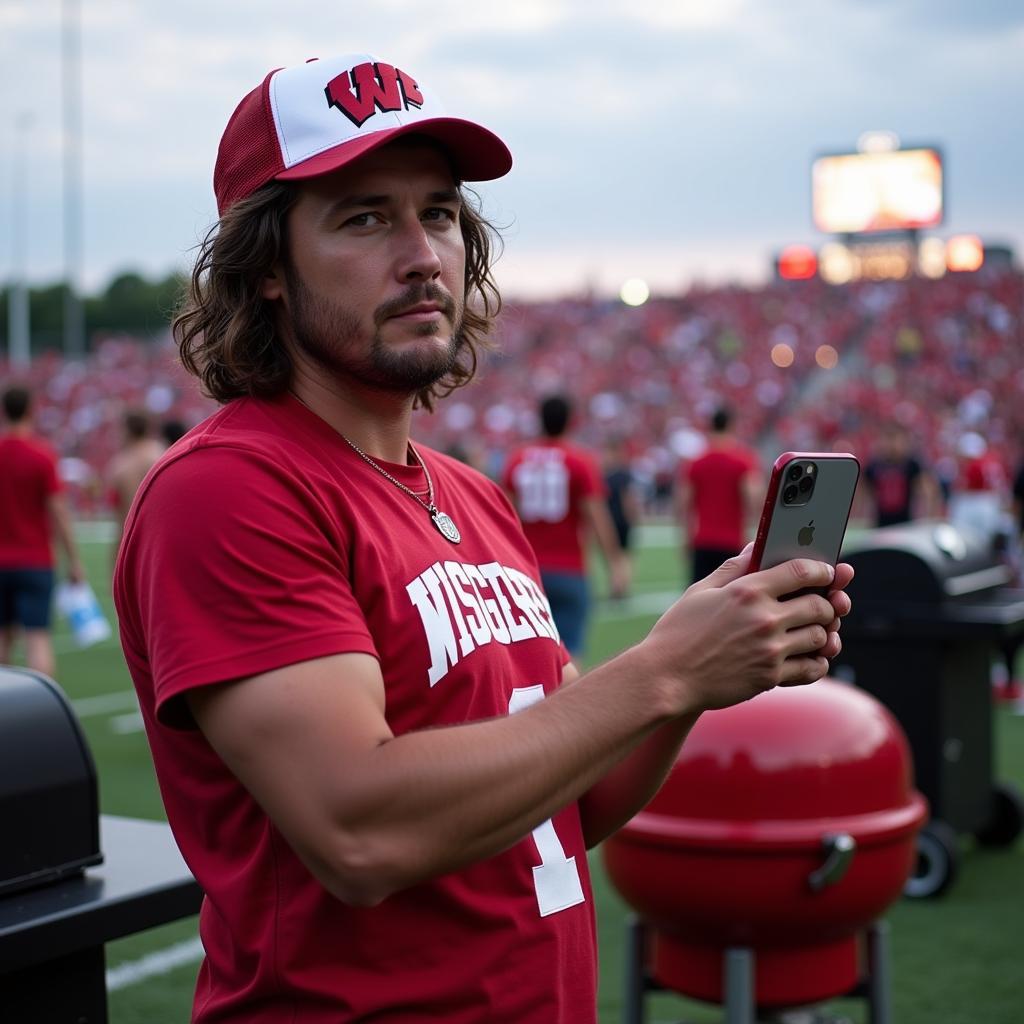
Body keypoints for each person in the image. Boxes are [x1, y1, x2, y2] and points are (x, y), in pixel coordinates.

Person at [113, 52, 853, 1024]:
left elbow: (572, 803)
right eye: (364, 215)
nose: (422, 252)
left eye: (439, 212)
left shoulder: (473, 495)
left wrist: (700, 661)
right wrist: (662, 673)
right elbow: (357, 830)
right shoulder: (230, 487)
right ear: (264, 274)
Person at [502, 395, 630, 654]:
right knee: (569, 657)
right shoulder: (580, 461)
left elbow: (503, 515)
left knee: (528, 656)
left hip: (526, 570)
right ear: (571, 422)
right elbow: (598, 519)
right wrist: (615, 565)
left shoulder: (518, 459)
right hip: (569, 569)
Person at [0, 385, 85, 676]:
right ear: (30, 410)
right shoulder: (42, 455)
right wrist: (73, 559)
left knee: (2, 639)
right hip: (36, 561)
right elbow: (59, 511)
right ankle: (42, 708)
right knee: (37, 639)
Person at [676, 406, 763, 584]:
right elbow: (753, 499)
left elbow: (683, 504)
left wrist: (685, 537)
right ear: (731, 426)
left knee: (698, 599)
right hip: (731, 542)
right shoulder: (743, 461)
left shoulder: (696, 462)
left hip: (703, 541)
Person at [106, 408, 167, 569]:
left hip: (135, 542)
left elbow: (123, 518)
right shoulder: (163, 453)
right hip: (164, 541)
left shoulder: (122, 465)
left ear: (127, 430)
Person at [860, 422, 938, 528]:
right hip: (881, 524)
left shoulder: (913, 465)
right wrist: (866, 520)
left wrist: (926, 519)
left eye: (894, 439)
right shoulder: (873, 466)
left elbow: (928, 493)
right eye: (887, 439)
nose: (890, 444)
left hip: (906, 524)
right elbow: (864, 496)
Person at [603, 434, 643, 589]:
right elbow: (629, 499)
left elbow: (627, 498)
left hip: (613, 519)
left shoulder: (609, 475)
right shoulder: (620, 474)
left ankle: (618, 584)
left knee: (617, 555)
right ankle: (620, 584)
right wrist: (633, 516)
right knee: (622, 555)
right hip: (619, 519)